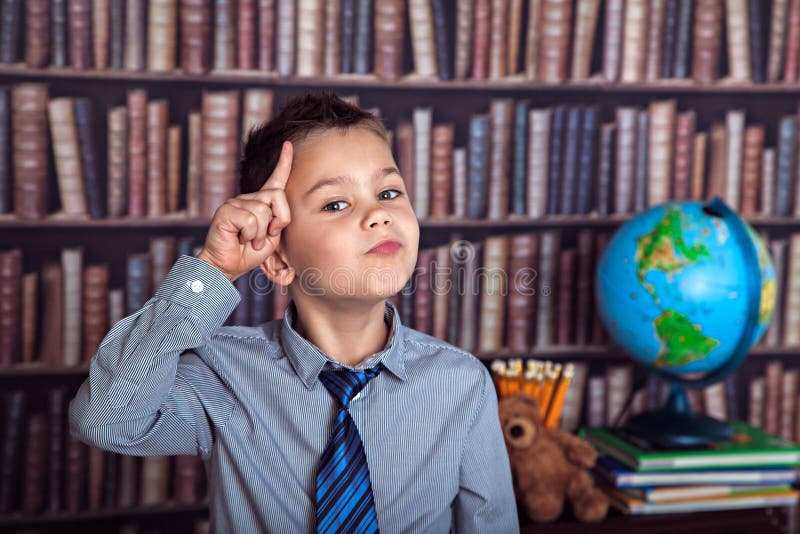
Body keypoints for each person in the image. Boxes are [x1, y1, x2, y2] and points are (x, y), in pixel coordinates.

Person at [69, 91, 519, 533]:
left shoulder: (462, 384)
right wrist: (213, 268)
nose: (378, 215)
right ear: (279, 260)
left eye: (388, 191)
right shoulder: (222, 373)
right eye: (336, 203)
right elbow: (107, 421)